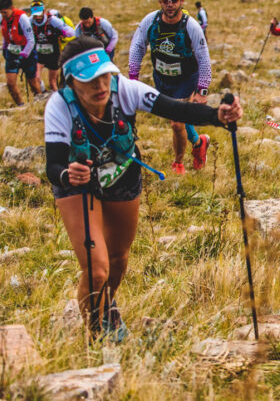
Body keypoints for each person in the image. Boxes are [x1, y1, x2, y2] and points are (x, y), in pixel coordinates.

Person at [45, 36, 242, 340]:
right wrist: (67, 175)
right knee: (97, 270)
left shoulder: (125, 90)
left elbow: (176, 109)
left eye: (104, 76)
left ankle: (108, 305)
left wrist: (217, 116)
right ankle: (96, 336)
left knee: (118, 259)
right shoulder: (59, 106)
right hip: (78, 184)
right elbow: (53, 165)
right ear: (71, 82)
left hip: (122, 175)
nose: (101, 86)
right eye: (90, 81)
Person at [127, 0, 212, 175]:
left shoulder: (191, 26)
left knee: (176, 122)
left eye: (174, 0)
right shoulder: (151, 21)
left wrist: (202, 90)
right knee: (179, 116)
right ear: (160, 2)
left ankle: (178, 163)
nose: (170, 4)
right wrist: (133, 77)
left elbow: (204, 57)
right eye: (166, 1)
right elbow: (137, 46)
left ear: (181, 1)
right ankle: (200, 143)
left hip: (186, 79)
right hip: (162, 78)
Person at [0, 0, 41, 106]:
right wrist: (4, 48)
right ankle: (21, 106)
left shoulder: (22, 18)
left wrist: (23, 55)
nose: (3, 15)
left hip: (26, 51)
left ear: (12, 8)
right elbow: (5, 34)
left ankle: (40, 103)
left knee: (33, 83)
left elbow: (31, 40)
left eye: (5, 13)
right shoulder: (0, 18)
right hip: (12, 50)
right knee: (10, 83)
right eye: (1, 13)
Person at [30, 0, 77, 92]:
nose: (37, 17)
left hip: (53, 55)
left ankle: (57, 98)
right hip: (40, 54)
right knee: (36, 77)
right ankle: (42, 94)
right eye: (35, 15)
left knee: (52, 83)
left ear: (43, 11)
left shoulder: (53, 20)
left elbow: (71, 32)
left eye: (39, 14)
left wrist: (62, 32)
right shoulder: (30, 21)